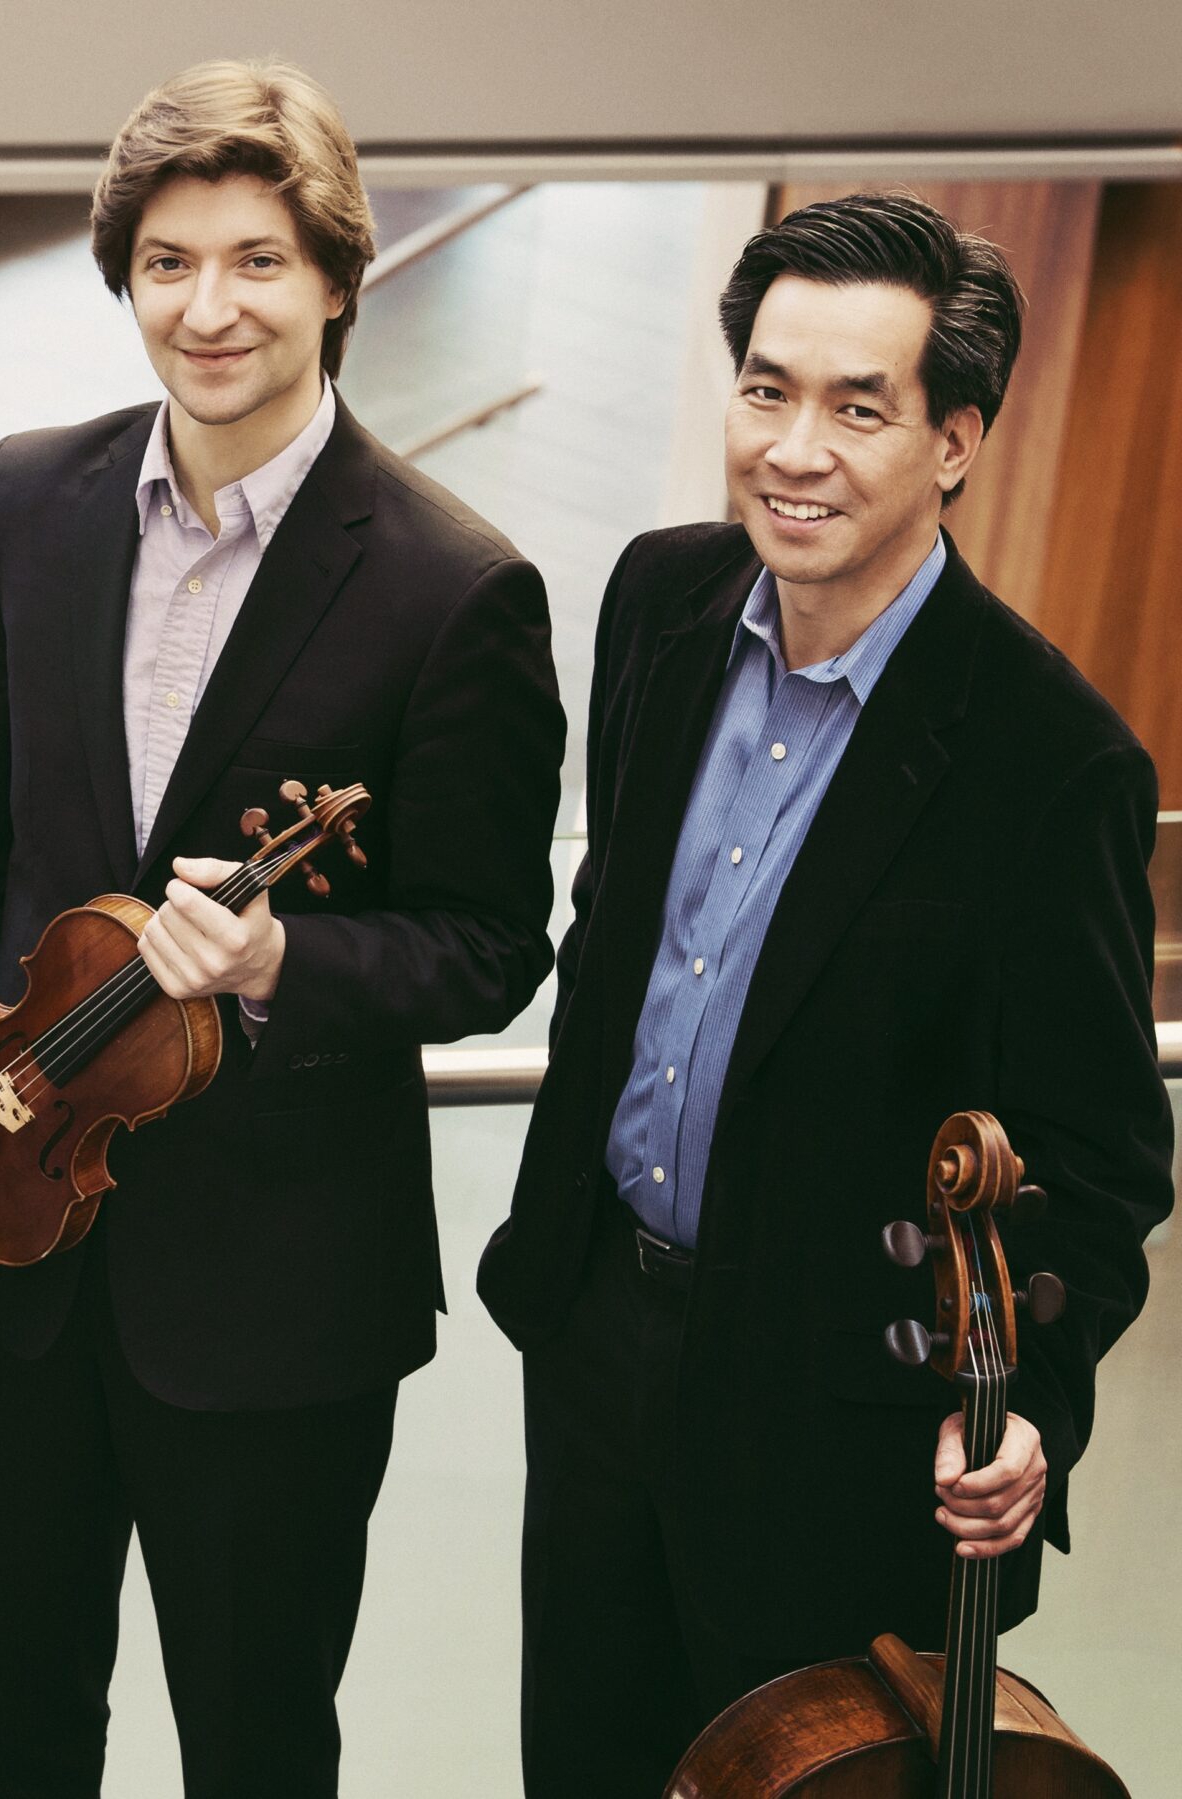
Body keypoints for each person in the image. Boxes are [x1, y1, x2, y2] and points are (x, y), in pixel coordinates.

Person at [0, 59, 565, 1797]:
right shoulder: (32, 500)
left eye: (255, 259)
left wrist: (285, 963)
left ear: (336, 279)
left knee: (253, 1747)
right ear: (125, 279)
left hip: (278, 1302)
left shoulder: (454, 586)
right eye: (168, 261)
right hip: (15, 1262)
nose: (208, 306)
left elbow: (485, 940)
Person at [476, 191, 1172, 1795]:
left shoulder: (1049, 762)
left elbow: (1104, 1158)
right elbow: (612, 950)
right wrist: (558, 1289)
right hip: (596, 1348)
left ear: (956, 442)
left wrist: (1030, 1411)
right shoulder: (657, 604)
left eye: (861, 407)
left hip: (837, 1424)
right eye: (768, 389)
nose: (796, 447)